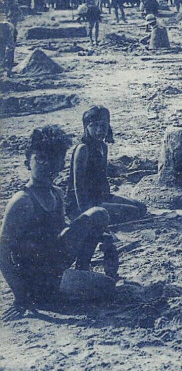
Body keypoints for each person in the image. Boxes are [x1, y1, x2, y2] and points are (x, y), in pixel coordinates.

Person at [0, 125, 118, 317]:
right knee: (108, 287)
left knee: (98, 214)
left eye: (55, 159)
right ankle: (60, 291)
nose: (48, 165)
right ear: (28, 162)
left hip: (56, 266)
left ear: (62, 163)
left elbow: (62, 233)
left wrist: (98, 236)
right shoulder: (22, 201)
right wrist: (20, 296)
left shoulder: (57, 193)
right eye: (41, 159)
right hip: (37, 283)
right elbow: (2, 253)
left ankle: (81, 269)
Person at [66, 106, 147, 223]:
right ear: (86, 127)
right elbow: (77, 185)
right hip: (81, 203)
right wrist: (85, 213)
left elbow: (102, 176)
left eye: (103, 125)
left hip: (99, 196)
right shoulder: (83, 149)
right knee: (133, 211)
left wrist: (108, 198)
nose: (99, 130)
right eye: (94, 125)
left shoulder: (103, 147)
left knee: (141, 207)